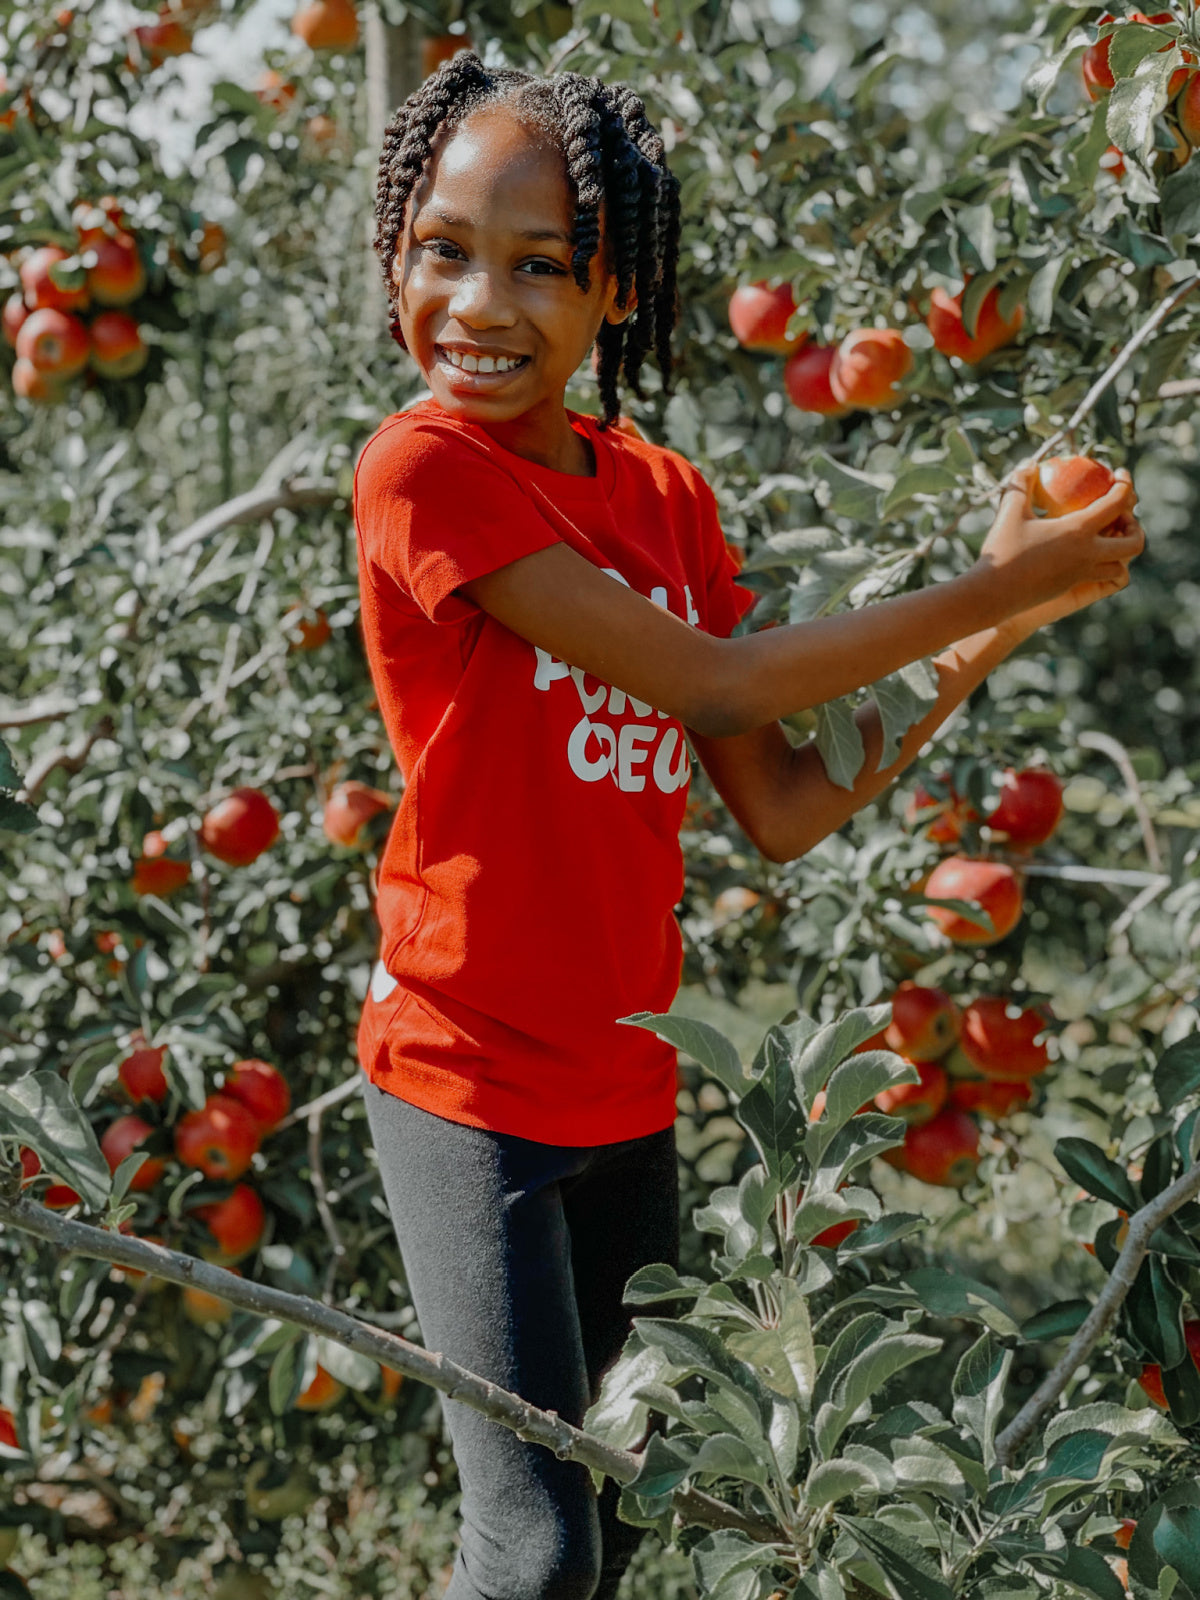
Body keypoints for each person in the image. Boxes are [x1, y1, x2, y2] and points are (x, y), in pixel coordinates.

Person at [351, 52, 1143, 1600]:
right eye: (442, 249)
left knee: (632, 1515)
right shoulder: (425, 471)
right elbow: (719, 686)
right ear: (395, 251)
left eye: (540, 267)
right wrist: (1000, 583)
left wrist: (995, 635)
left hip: (622, 1077)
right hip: (463, 1072)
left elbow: (778, 801)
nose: (478, 304)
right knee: (531, 1551)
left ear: (615, 299)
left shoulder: (663, 496)